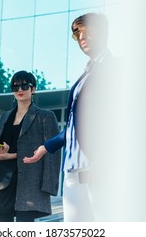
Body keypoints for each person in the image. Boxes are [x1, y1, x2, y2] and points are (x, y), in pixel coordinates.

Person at [24, 13, 116, 221]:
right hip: (72, 170)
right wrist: (46, 147)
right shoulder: (86, 75)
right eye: (77, 34)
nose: (81, 38)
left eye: (86, 32)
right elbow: (76, 126)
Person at [0, 70, 61, 222]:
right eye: (15, 87)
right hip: (2, 182)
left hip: (30, 183)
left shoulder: (45, 116)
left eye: (24, 86)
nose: (20, 90)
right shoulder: (3, 117)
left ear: (33, 89)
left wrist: (49, 186)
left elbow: (52, 153)